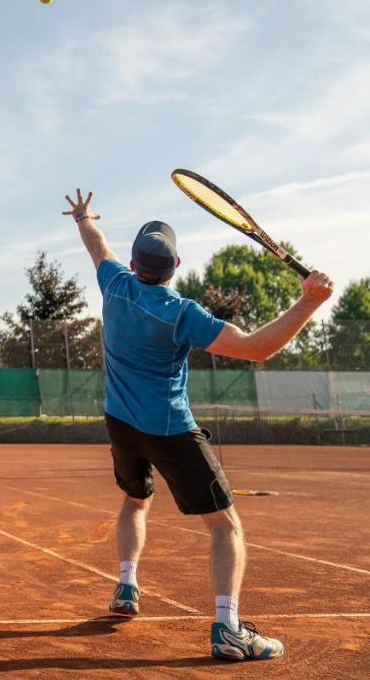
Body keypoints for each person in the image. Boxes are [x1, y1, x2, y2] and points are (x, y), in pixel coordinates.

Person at [64, 189, 334, 662]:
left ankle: (126, 586)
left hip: (120, 423)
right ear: (177, 265)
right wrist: (308, 302)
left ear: (133, 262)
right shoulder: (182, 314)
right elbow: (256, 348)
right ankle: (228, 630)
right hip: (168, 428)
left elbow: (95, 244)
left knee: (134, 501)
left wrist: (83, 217)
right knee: (225, 527)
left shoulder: (114, 284)